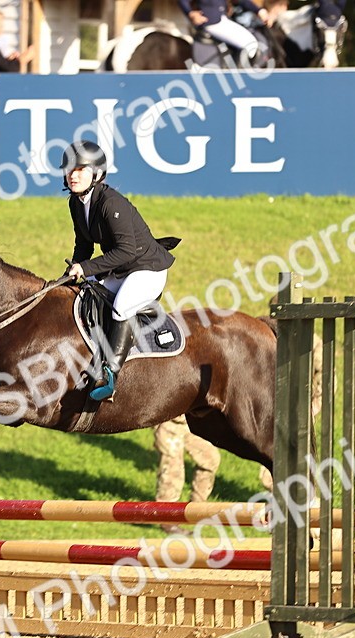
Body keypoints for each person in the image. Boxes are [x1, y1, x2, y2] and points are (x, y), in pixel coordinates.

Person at [62, 140, 174, 402]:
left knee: (121, 306)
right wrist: (72, 272)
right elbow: (84, 243)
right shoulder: (76, 203)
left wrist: (86, 268)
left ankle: (110, 375)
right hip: (121, 269)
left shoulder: (111, 203)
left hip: (147, 270)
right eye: (69, 169)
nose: (73, 174)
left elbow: (127, 251)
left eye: (80, 169)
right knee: (83, 296)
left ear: (97, 173)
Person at [154, 416, 220, 532]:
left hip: (191, 420)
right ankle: (166, 519)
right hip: (168, 421)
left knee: (210, 458)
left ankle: (196, 509)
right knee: (173, 469)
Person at [178, 0, 268, 66]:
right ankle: (237, 78)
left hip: (223, 20)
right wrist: (190, 13)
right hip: (212, 22)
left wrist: (258, 10)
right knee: (250, 44)